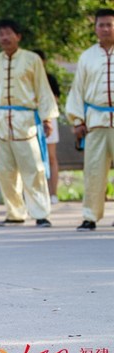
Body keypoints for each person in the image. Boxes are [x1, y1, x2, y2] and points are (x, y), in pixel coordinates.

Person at [0, 19, 59, 228]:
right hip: (1, 122)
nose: (4, 37)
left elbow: (43, 90)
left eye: (8, 33)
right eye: (1, 34)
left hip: (27, 123)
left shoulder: (32, 60)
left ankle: (41, 213)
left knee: (34, 169)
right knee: (6, 171)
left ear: (18, 36)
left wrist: (47, 118)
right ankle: (14, 213)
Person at [66, 8, 114, 232]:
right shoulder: (87, 56)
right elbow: (78, 90)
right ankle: (90, 216)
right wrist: (77, 120)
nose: (105, 29)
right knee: (93, 170)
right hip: (95, 121)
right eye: (101, 25)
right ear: (95, 28)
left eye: (110, 24)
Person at [33, 49, 62, 205]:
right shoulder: (27, 78)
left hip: (48, 119)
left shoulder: (50, 78)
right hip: (31, 120)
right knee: (34, 158)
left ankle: (54, 193)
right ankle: (38, 193)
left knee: (51, 157)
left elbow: (55, 98)